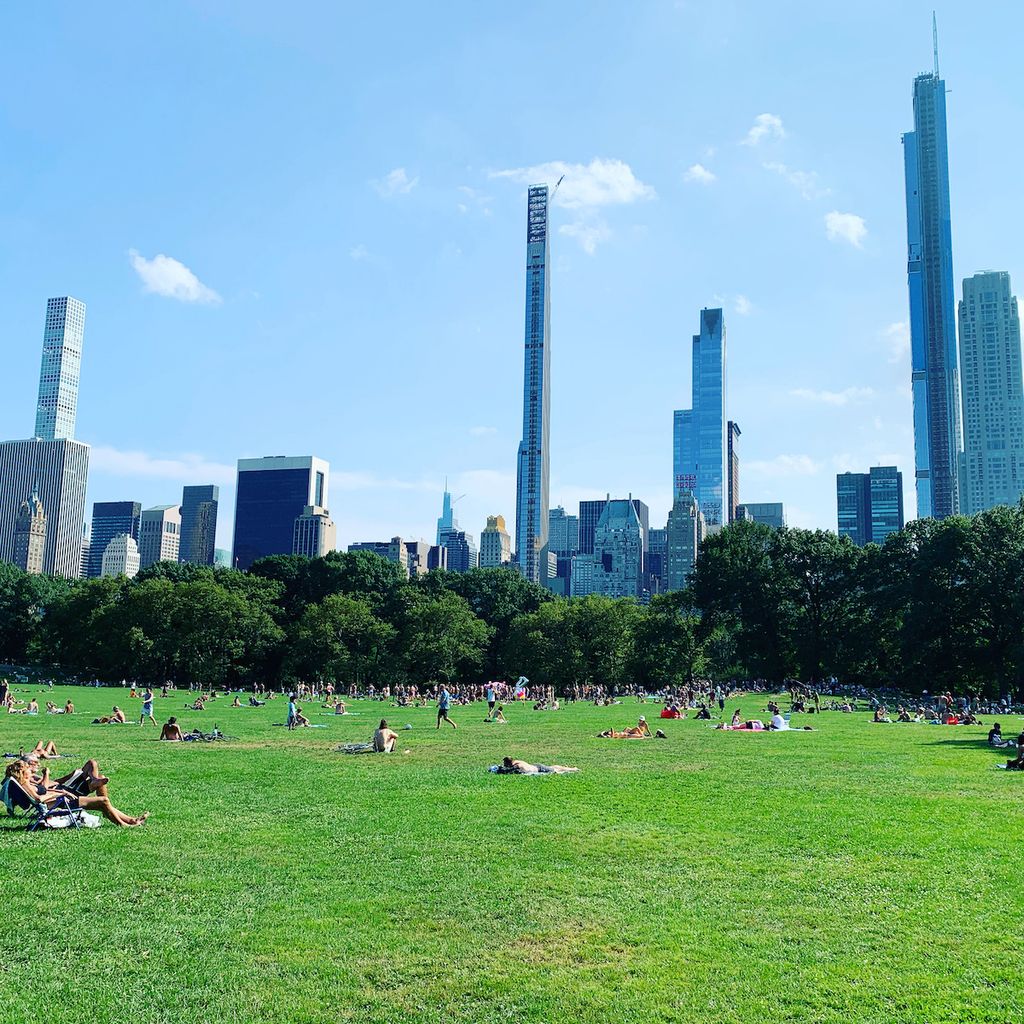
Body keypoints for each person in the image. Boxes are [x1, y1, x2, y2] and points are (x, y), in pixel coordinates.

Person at [5, 759, 149, 827]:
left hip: (60, 799)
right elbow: (39, 799)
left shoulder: (26, 783)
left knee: (102, 803)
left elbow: (44, 793)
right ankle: (125, 824)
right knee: (103, 801)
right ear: (23, 773)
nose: (31, 770)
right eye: (28, 769)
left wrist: (57, 791)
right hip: (59, 804)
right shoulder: (26, 785)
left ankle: (130, 820)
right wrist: (60, 794)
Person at [496, 756, 578, 775]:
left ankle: (572, 769)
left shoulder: (517, 766)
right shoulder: (516, 761)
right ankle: (570, 768)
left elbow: (507, 771)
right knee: (553, 767)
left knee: (555, 769)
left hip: (539, 769)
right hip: (535, 766)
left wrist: (500, 770)